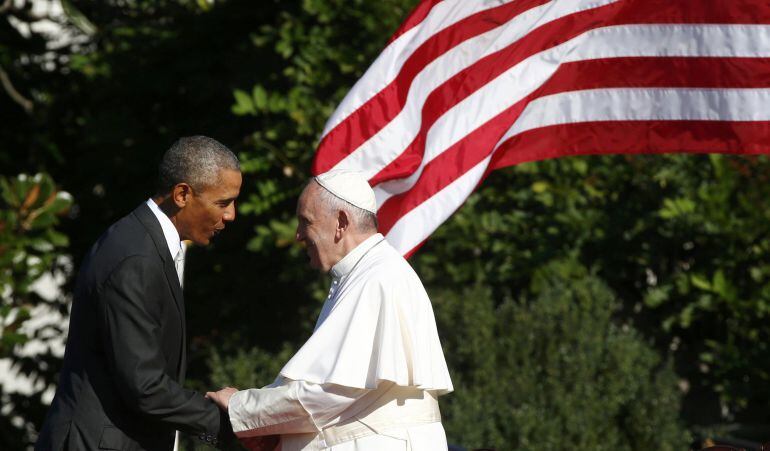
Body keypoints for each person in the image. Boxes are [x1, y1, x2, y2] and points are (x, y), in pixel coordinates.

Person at [207, 170, 453, 451]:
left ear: (341, 223)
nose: (298, 235)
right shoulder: (366, 274)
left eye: (306, 222)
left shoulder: (378, 279)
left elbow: (328, 393)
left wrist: (241, 406)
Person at [37, 136, 242, 451]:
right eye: (223, 202)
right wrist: (238, 423)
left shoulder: (143, 243)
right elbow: (145, 387)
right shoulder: (135, 258)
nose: (230, 216)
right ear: (182, 194)